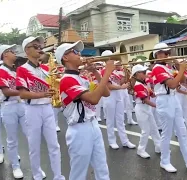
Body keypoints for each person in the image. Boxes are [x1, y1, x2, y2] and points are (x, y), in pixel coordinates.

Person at [55, 41, 111, 180]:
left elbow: (106, 93)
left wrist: (95, 72)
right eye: (74, 51)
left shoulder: (82, 77)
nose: (79, 54)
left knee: (102, 167)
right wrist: (108, 72)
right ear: (65, 58)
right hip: (79, 129)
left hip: (93, 125)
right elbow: (93, 99)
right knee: (79, 173)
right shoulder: (66, 79)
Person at [151, 42, 187, 173]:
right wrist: (181, 68)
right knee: (167, 134)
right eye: (164, 53)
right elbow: (171, 84)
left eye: (167, 53)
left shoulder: (167, 68)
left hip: (173, 98)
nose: (167, 55)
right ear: (157, 55)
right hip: (164, 100)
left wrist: (184, 69)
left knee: (182, 132)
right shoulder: (157, 68)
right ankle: (164, 161)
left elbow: (179, 83)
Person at [16, 36, 65, 180]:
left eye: (40, 46)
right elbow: (23, 94)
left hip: (48, 108)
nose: (39, 48)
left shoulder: (46, 68)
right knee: (34, 146)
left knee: (54, 145)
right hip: (32, 110)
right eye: (35, 46)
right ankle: (37, 175)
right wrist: (43, 94)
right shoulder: (22, 69)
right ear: (26, 50)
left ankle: (58, 175)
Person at [0, 44, 27, 178]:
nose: (15, 53)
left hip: (21, 104)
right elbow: (6, 91)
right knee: (12, 139)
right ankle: (15, 166)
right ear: (5, 54)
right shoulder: (1, 70)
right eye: (12, 51)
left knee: (30, 135)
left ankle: (36, 168)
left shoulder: (16, 70)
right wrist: (25, 93)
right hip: (9, 106)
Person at [101, 50, 136, 150]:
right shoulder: (104, 71)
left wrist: (126, 73)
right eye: (111, 58)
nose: (114, 60)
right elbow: (108, 86)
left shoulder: (116, 71)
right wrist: (121, 87)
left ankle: (125, 140)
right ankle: (112, 141)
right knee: (110, 120)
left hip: (118, 96)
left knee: (120, 120)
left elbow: (121, 82)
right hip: (109, 97)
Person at [131, 64, 161, 158]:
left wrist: (163, 92)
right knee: (146, 130)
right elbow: (145, 100)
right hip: (141, 108)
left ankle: (159, 146)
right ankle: (141, 149)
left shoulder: (143, 84)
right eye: (143, 72)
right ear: (137, 74)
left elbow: (152, 95)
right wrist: (158, 106)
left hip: (146, 108)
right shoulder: (138, 85)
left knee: (154, 128)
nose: (145, 74)